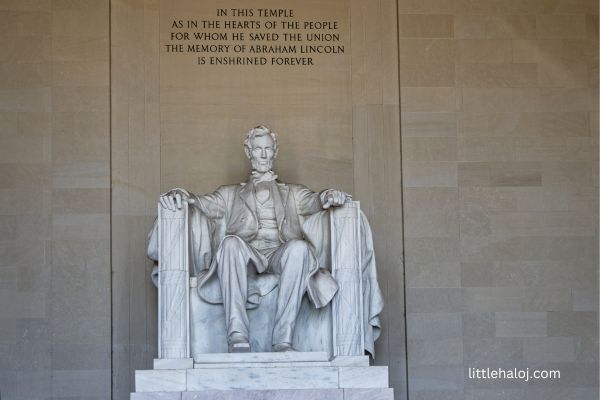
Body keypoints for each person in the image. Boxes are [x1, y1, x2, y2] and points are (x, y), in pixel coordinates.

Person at [159, 126, 351, 352]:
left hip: (280, 253)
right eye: (257, 149)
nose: (262, 154)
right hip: (246, 254)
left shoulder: (293, 192)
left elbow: (314, 201)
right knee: (230, 243)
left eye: (267, 149)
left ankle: (283, 339)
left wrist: (329, 195)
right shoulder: (229, 194)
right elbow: (202, 203)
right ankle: (237, 335)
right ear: (248, 151)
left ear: (275, 151)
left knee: (300, 248)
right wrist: (182, 194)